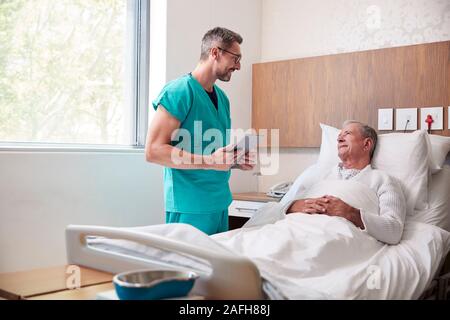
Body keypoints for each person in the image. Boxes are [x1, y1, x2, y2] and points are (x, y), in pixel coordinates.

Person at [145, 27, 254, 235]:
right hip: (190, 205)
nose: (238, 66)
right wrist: (211, 161)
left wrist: (234, 161)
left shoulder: (222, 99)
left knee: (216, 268)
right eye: (236, 58)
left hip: (220, 203)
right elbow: (153, 151)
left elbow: (210, 151)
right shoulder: (178, 92)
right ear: (215, 52)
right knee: (187, 267)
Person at [284, 120, 406, 244]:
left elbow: (394, 231)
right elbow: (275, 210)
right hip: (292, 231)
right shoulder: (319, 174)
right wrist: (294, 206)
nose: (339, 139)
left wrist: (350, 213)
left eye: (347, 134)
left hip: (333, 240)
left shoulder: (383, 180)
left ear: (367, 144)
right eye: (338, 136)